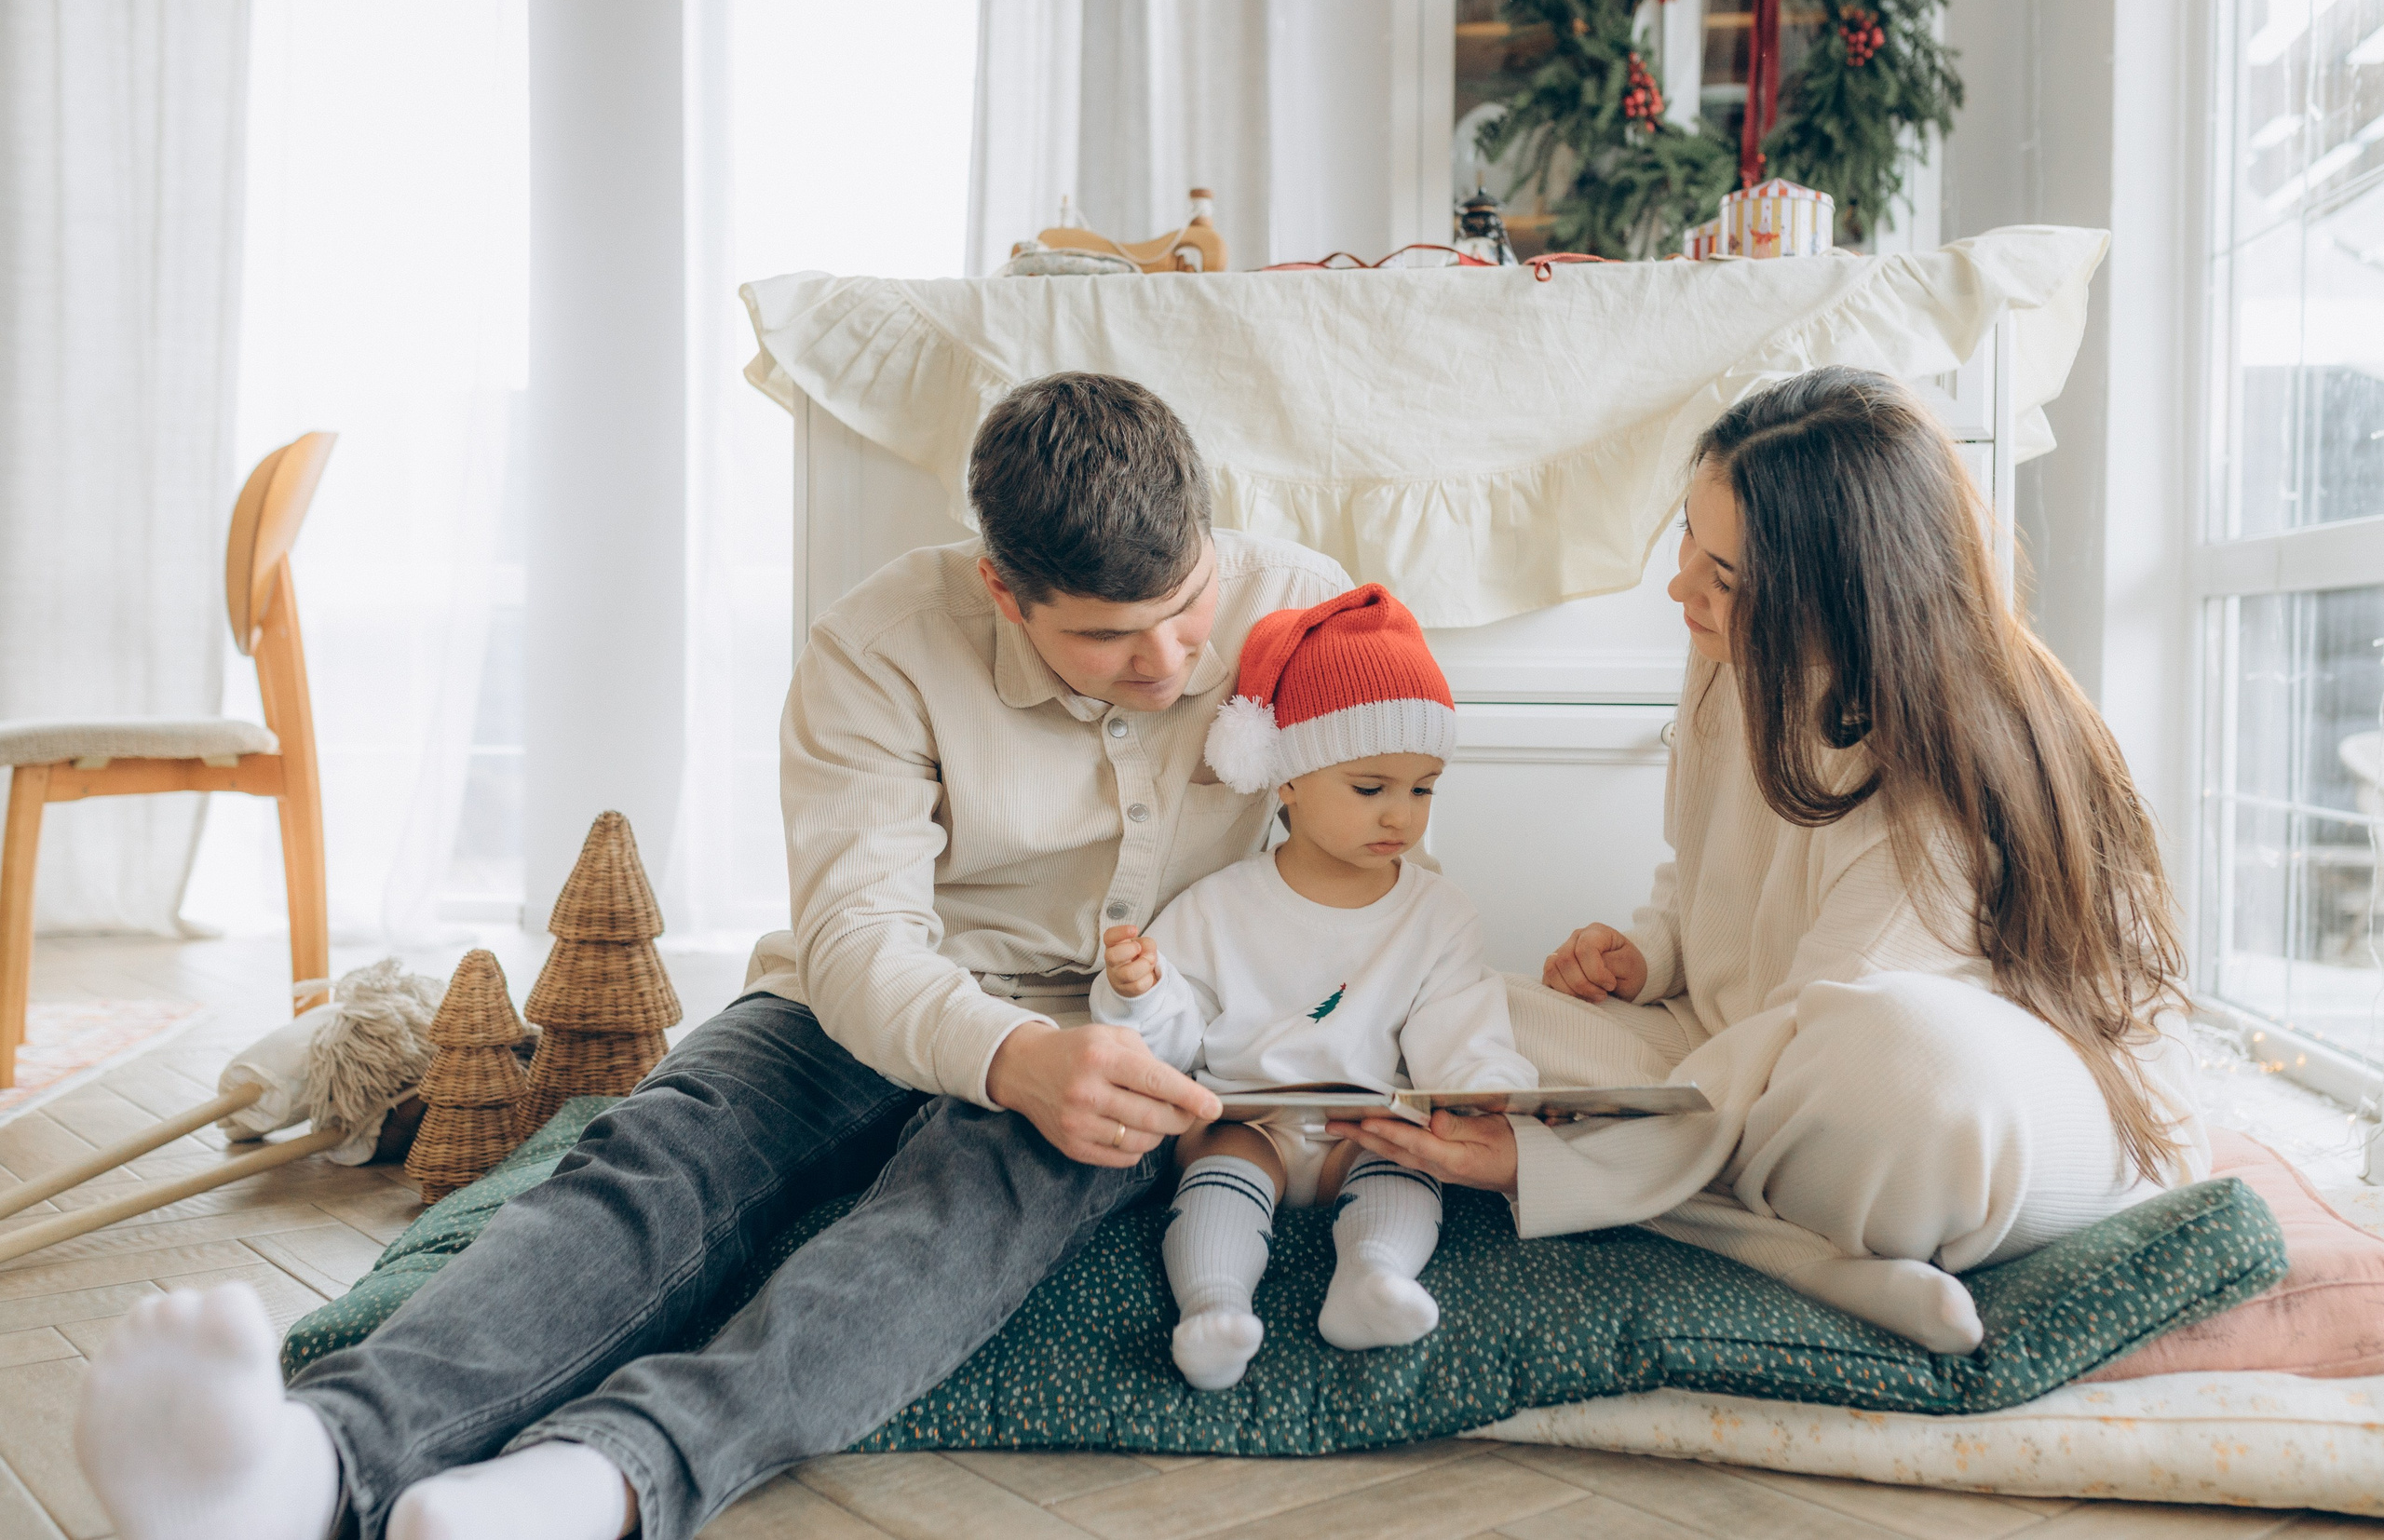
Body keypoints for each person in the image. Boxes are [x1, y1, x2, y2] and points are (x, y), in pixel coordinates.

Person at [73, 372, 1353, 1540]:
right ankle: (302, 1462)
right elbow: (856, 941)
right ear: (1000, 587)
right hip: (859, 1000)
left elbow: (1371, 851)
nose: (1171, 660)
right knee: (659, 1151)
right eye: (1109, 638)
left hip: (1131, 1022)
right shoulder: (880, 642)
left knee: (953, 1221)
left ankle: (603, 1477)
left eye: (1185, 610)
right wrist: (1010, 1051)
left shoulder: (1301, 604)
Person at [1328, 366, 2209, 1355]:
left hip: (1978, 1096)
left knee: (1901, 1061)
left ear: (1845, 597)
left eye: (1725, 577)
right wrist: (1647, 954)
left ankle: (1747, 1234)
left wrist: (1542, 1164)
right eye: (1688, 545)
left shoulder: (1942, 767)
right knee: (1409, 1002)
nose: (1680, 588)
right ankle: (1769, 1228)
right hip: (1758, 1046)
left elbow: (1821, 1033)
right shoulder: (1729, 651)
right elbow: (1700, 877)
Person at [1090, 584, 1536, 1389]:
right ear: (1287, 778)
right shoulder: (1222, 902)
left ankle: (1373, 1277)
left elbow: (1461, 1023)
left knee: (1404, 1156)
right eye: (1372, 788)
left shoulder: (1437, 913)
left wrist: (1486, 1089)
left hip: (1358, 1128)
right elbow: (1171, 1038)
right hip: (1246, 1121)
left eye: (1424, 786)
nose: (1401, 814)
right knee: (1220, 1161)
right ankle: (1214, 1306)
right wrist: (1139, 991)